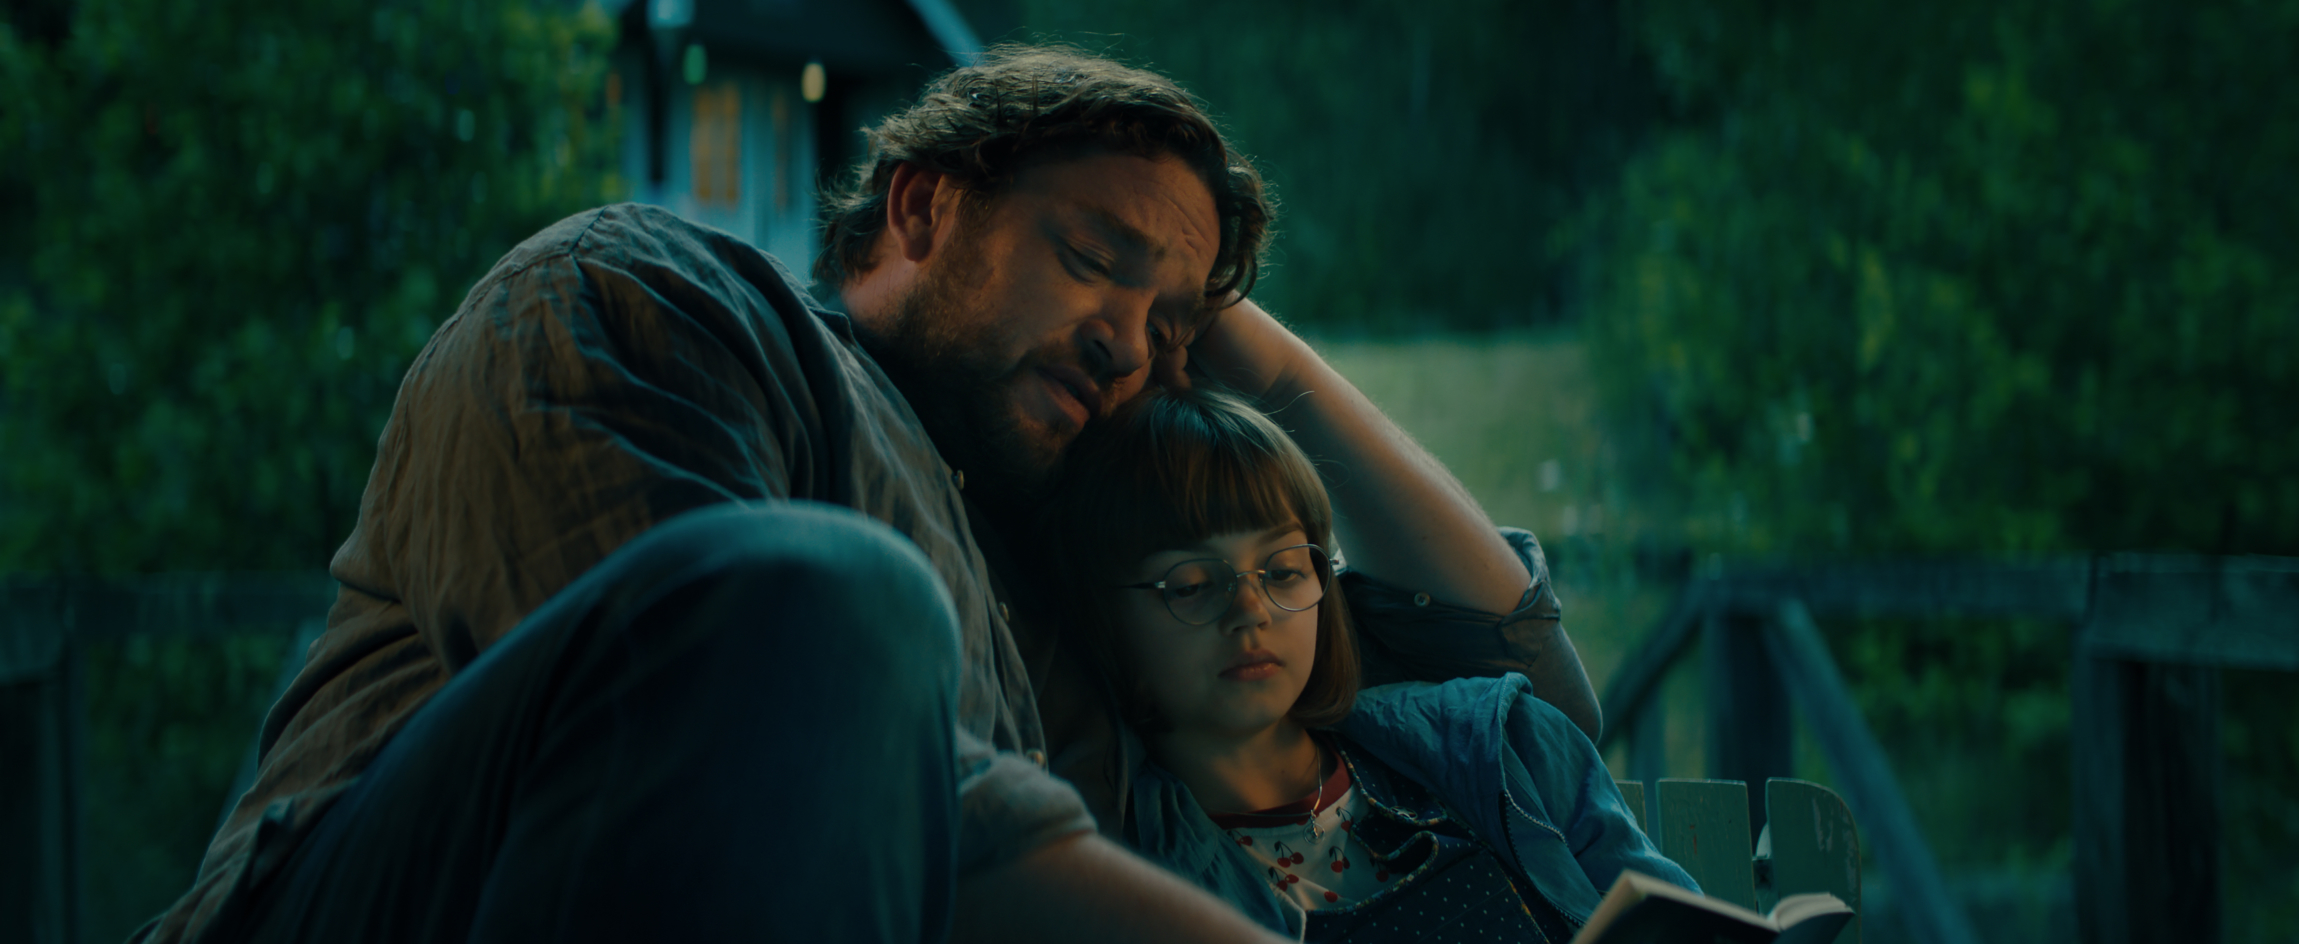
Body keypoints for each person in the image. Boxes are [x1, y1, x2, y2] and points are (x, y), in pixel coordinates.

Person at [138, 45, 1598, 944]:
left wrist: (1256, 362)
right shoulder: (660, 297)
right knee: (828, 605)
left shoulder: (1074, 585)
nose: (1127, 343)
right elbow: (735, 751)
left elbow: (1515, 690)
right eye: (1092, 259)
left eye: (1170, 327)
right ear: (919, 205)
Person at [1037, 385, 1694, 940]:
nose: (1251, 610)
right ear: (1105, 618)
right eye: (1191, 585)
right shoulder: (1124, 880)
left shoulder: (1503, 745)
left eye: (1283, 570)